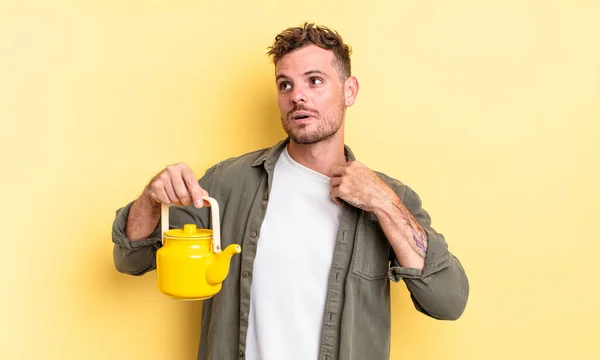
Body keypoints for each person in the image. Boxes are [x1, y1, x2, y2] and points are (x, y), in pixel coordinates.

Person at [112, 23, 469, 360]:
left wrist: (382, 202)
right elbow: (130, 258)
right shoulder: (228, 183)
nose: (297, 96)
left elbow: (448, 300)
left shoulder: (393, 198)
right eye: (285, 84)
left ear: (349, 91)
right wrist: (151, 198)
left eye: (315, 81)